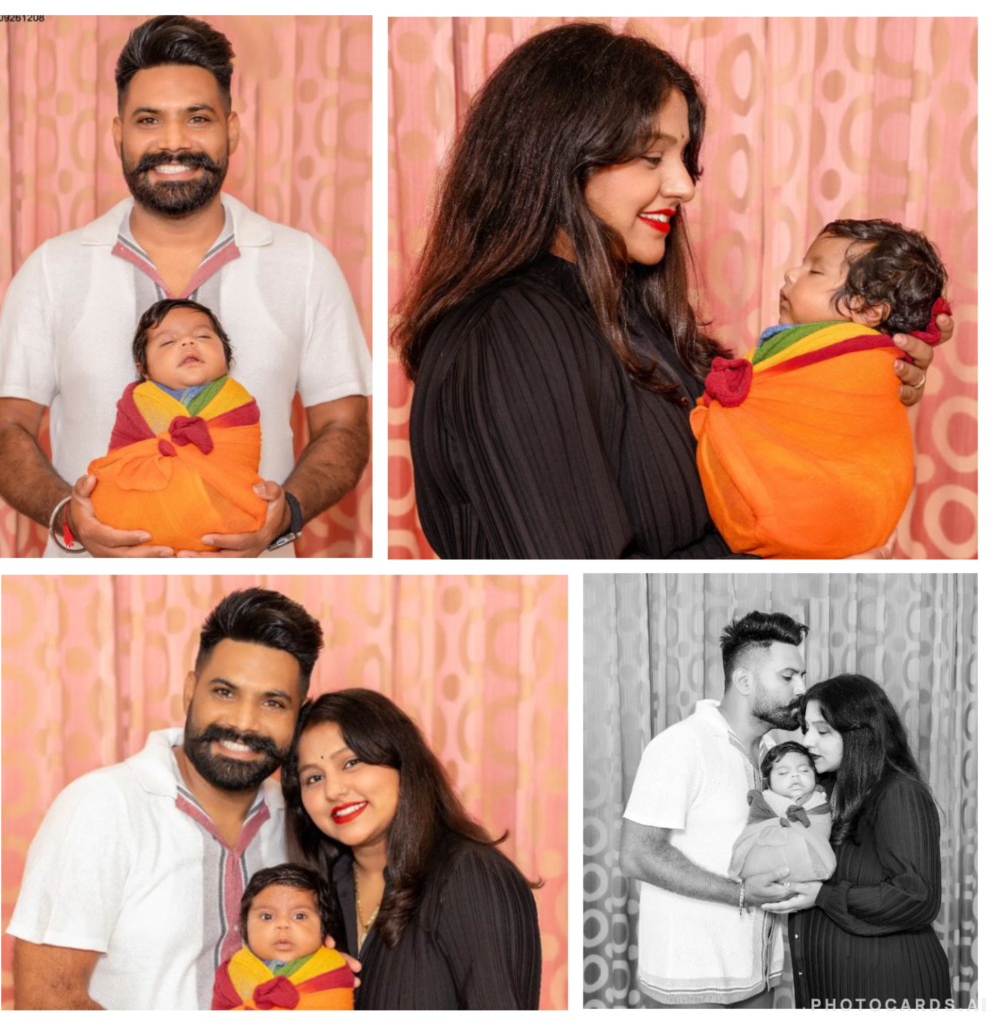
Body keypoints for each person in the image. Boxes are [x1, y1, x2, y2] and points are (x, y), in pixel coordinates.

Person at [395, 23, 947, 559]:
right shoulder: (509, 335)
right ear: (560, 157)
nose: (684, 186)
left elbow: (750, 443)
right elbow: (588, 585)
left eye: (684, 158)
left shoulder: (628, 310)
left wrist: (854, 373)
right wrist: (801, 566)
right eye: (653, 157)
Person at [0, 15, 371, 558]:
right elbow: (2, 426)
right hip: (86, 583)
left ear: (231, 130)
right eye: (148, 120)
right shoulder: (52, 268)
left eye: (197, 118)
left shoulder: (305, 263)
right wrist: (65, 514)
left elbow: (344, 423)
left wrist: (290, 510)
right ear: (118, 134)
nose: (172, 143)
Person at [7, 588, 323, 1009]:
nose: (244, 723)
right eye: (225, 692)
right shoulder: (103, 806)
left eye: (272, 702)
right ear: (190, 691)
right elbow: (47, 1000)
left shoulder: (299, 814)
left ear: (298, 717)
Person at [692, 219, 951, 558]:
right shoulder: (869, 351)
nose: (790, 273)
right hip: (858, 528)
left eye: (814, 272)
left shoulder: (860, 358)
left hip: (791, 516)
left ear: (868, 309)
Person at [282, 688, 542, 1009]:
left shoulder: (468, 875)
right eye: (313, 778)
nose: (333, 790)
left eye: (351, 762)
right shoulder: (322, 893)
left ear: (402, 761)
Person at [619, 610, 808, 1007]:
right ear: (743, 680)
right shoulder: (682, 745)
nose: (802, 689)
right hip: (688, 988)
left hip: (760, 980)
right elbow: (636, 856)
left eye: (801, 676)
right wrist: (740, 893)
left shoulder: (777, 757)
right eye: (788, 677)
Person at [761, 674, 952, 1008]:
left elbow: (917, 896)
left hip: (890, 990)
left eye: (822, 731)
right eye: (805, 729)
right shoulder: (827, 795)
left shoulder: (899, 793)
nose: (807, 741)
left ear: (861, 734)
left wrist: (822, 895)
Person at [87, 298, 268, 552]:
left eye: (203, 336)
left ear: (227, 360)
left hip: (215, 513)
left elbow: (239, 459)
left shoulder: (237, 401)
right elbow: (120, 460)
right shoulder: (137, 402)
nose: (188, 342)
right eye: (168, 342)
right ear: (144, 370)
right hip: (143, 514)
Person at [212, 864, 355, 1010]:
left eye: (299, 916)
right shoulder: (230, 975)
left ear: (324, 928)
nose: (283, 924)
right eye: (267, 916)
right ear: (244, 926)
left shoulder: (332, 971)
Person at [729, 741, 836, 885]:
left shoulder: (819, 800)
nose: (795, 776)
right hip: (767, 866)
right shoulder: (765, 800)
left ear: (815, 777)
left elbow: (819, 831)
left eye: (804, 770)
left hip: (809, 865)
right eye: (783, 773)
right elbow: (754, 829)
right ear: (768, 783)